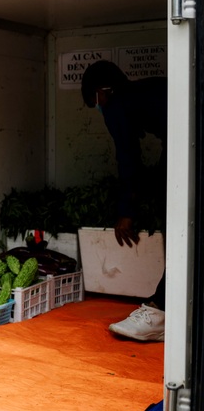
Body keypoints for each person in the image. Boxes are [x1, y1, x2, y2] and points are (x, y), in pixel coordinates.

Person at [81, 60, 167, 341]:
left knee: (178, 222)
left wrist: (126, 212)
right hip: (182, 137)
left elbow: (128, 158)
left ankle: (161, 309)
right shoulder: (142, 93)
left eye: (94, 100)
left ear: (101, 92)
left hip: (189, 139)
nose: (98, 105)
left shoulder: (116, 104)